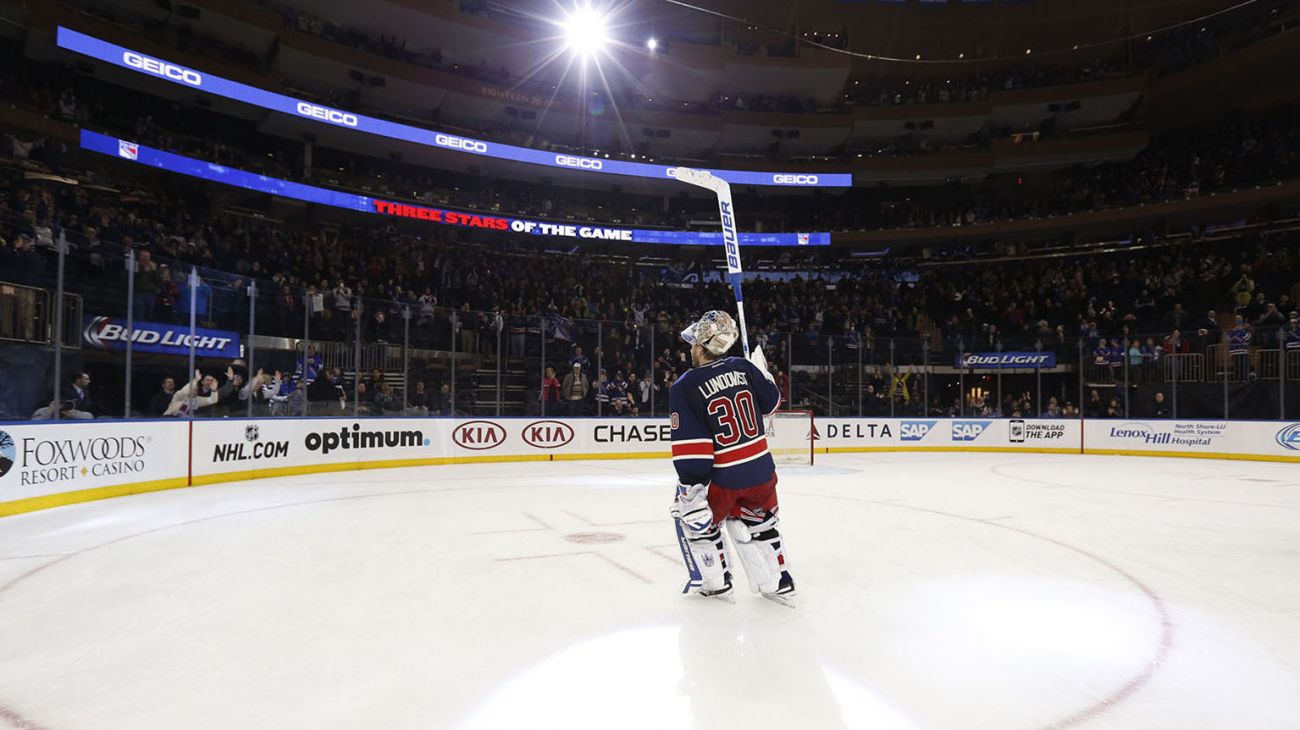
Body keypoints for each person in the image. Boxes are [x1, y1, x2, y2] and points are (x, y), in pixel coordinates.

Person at [669, 310, 794, 607]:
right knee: (760, 523)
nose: (691, 348)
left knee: (696, 522)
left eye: (694, 344)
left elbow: (692, 447)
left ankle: (716, 583)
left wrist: (692, 488)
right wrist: (762, 374)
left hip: (725, 477)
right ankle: (778, 582)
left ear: (702, 346)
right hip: (762, 469)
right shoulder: (743, 366)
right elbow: (771, 404)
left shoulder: (685, 386)